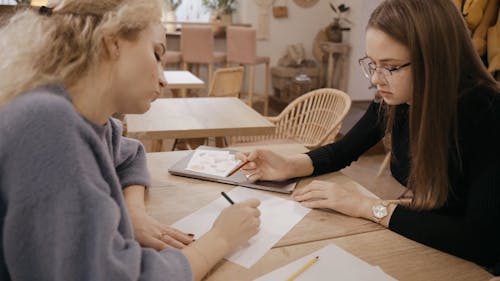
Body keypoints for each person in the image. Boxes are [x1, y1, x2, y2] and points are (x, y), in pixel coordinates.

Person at [0, 1, 261, 281]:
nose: (164, 80)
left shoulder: (89, 122)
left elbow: (130, 153)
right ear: (112, 43)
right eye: (157, 53)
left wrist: (134, 213)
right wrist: (219, 240)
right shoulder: (47, 122)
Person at [240, 0, 500, 274]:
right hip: (428, 241)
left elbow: (482, 242)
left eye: (390, 67)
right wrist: (289, 165)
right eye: (372, 64)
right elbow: (342, 152)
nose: (376, 79)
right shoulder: (398, 98)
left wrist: (369, 207)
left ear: (435, 59)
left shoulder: (487, 113)